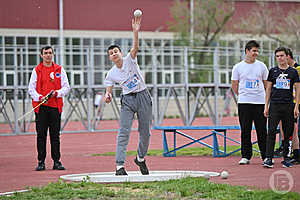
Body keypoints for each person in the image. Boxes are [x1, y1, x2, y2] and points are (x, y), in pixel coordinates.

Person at [104, 16, 152, 176]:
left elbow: (136, 48)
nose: (114, 54)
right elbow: (108, 87)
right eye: (111, 53)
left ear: (120, 53)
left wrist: (135, 32)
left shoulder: (130, 60)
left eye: (115, 51)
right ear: (110, 58)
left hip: (143, 96)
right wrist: (108, 95)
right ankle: (119, 166)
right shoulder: (111, 73)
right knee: (124, 131)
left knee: (145, 132)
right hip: (128, 100)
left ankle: (140, 158)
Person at [28, 46, 70, 171]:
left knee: (55, 135)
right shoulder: (37, 70)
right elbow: (31, 88)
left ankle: (56, 161)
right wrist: (39, 97)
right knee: (41, 135)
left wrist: (56, 93)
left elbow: (66, 87)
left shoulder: (59, 69)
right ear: (41, 55)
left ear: (53, 54)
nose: (48, 55)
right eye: (45, 53)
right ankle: (41, 161)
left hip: (55, 107)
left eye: (50, 53)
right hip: (40, 107)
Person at [231, 40, 268, 165]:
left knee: (262, 130)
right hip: (245, 103)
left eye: (257, 51)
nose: (256, 53)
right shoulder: (238, 67)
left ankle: (265, 156)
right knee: (245, 130)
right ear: (247, 51)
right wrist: (243, 95)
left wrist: (265, 100)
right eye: (254, 51)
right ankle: (246, 156)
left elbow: (266, 84)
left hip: (260, 103)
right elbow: (234, 85)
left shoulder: (262, 66)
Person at [263, 46, 300, 168]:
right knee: (272, 131)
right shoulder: (273, 71)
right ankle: (268, 158)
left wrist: (296, 107)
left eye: (282, 56)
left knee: (288, 131)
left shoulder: (293, 72)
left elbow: (297, 89)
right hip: (275, 105)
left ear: (287, 57)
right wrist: (266, 106)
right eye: (277, 56)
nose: (280, 58)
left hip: (289, 105)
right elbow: (268, 88)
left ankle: (286, 157)